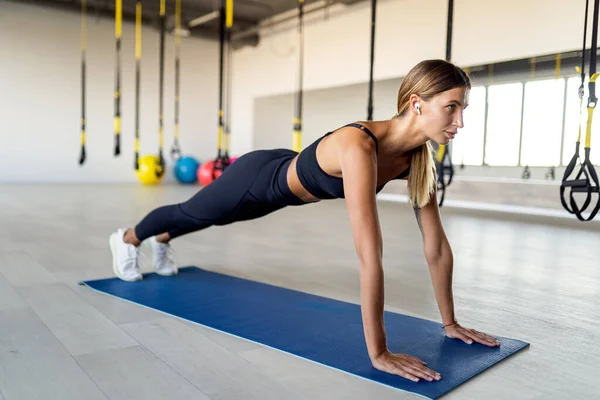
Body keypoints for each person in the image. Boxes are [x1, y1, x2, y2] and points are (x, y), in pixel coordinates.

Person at [109, 59, 501, 383]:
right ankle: (128, 239)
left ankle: (161, 240)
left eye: (463, 109)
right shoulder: (359, 144)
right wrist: (379, 351)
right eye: (452, 107)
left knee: (216, 219)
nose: (460, 121)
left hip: (284, 189)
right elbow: (369, 255)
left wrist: (450, 323)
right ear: (417, 104)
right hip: (258, 179)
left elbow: (436, 247)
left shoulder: (417, 161)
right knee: (194, 212)